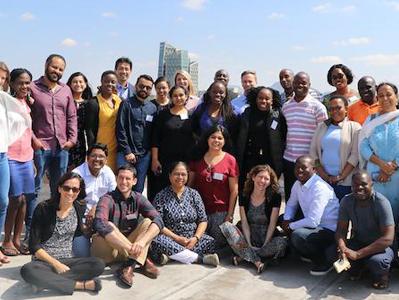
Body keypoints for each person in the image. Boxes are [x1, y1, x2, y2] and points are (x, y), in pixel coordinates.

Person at [20, 172, 105, 295]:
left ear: (79, 191)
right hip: (44, 262)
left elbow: (80, 231)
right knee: (27, 270)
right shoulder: (43, 208)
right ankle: (82, 285)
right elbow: (34, 246)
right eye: (67, 188)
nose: (70, 193)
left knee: (98, 264)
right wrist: (56, 264)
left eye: (75, 189)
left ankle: (44, 282)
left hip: (68, 260)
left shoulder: (79, 207)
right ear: (59, 188)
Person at [29, 54, 77, 250]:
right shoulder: (32, 88)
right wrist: (34, 140)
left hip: (61, 149)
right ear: (46, 66)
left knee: (61, 190)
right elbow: (26, 117)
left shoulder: (65, 90)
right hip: (40, 147)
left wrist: (72, 140)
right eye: (54, 67)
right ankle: (32, 231)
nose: (56, 71)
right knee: (35, 190)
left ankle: (53, 229)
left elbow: (71, 116)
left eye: (60, 69)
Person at [91, 165, 163, 288]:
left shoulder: (138, 198)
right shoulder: (107, 198)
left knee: (147, 222)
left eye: (128, 179)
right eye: (121, 178)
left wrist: (141, 243)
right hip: (108, 251)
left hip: (128, 246)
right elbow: (99, 223)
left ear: (134, 181)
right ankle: (138, 258)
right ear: (116, 179)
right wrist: (131, 248)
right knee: (108, 224)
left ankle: (129, 265)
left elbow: (158, 220)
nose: (123, 182)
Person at [220, 165, 287, 273]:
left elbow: (272, 224)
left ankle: (244, 255)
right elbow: (245, 222)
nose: (263, 181)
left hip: (266, 237)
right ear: (253, 177)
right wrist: (249, 243)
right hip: (248, 236)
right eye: (260, 177)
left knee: (282, 243)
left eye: (266, 179)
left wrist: (265, 244)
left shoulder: (275, 196)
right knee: (226, 226)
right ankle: (256, 261)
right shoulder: (244, 194)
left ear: (270, 182)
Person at [150, 162, 219, 266]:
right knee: (156, 240)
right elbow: (157, 223)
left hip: (191, 239)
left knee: (211, 242)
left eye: (183, 174)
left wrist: (195, 238)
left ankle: (171, 256)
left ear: (187, 176)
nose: (180, 177)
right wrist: (176, 238)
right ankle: (200, 259)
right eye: (176, 174)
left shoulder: (194, 194)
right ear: (170, 176)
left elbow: (203, 220)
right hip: (170, 238)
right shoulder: (161, 196)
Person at [335, 171, 395, 289]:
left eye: (363, 184)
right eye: (355, 185)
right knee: (333, 253)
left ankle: (383, 275)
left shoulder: (381, 203)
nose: (359, 188)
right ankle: (361, 267)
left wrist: (357, 254)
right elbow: (341, 230)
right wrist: (342, 248)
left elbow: (388, 239)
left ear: (371, 184)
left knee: (377, 262)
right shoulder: (346, 201)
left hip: (381, 247)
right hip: (359, 242)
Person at [282, 155, 339, 275]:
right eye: (297, 167)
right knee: (280, 220)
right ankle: (305, 252)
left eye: (304, 167)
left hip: (328, 230)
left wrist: (290, 226)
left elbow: (313, 221)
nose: (299, 170)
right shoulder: (298, 184)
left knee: (298, 235)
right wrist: (287, 220)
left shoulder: (320, 188)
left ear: (314, 170)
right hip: (313, 225)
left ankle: (324, 261)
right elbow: (291, 204)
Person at [2, 69, 35, 257]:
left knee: (24, 199)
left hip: (27, 156)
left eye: (27, 82)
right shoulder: (6, 102)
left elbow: (28, 131)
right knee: (14, 199)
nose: (24, 86)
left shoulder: (27, 102)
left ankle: (16, 238)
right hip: (11, 156)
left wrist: (33, 160)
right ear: (12, 83)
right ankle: (6, 239)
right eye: (21, 82)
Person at [189, 125, 239, 247]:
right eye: (213, 137)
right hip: (199, 211)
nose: (216, 140)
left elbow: (234, 191)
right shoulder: (197, 157)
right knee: (196, 240)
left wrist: (230, 215)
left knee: (219, 243)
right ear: (207, 139)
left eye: (220, 138)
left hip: (220, 212)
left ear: (224, 141)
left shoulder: (230, 160)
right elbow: (189, 186)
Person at [282, 72, 328, 200]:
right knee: (291, 197)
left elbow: (323, 137)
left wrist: (318, 163)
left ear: (309, 85)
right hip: (289, 160)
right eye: (297, 82)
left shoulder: (318, 107)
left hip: (309, 162)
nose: (300, 85)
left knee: (308, 198)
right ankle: (290, 220)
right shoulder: (286, 107)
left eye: (304, 83)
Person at [236, 86, 286, 197]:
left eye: (267, 99)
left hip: (271, 160)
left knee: (270, 191)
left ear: (272, 100)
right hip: (250, 160)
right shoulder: (248, 113)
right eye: (260, 98)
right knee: (248, 190)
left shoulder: (277, 115)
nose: (264, 101)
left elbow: (284, 136)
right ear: (255, 99)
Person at [359, 82, 399, 221]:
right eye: (381, 95)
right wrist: (382, 165)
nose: (385, 98)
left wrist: (391, 166)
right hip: (375, 175)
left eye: (389, 94)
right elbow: (363, 146)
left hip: (397, 175)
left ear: (397, 97)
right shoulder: (371, 120)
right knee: (377, 214)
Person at [310, 95, 361, 200]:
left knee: (343, 213)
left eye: (338, 107)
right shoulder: (321, 127)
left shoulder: (355, 127)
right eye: (331, 109)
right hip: (323, 181)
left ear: (346, 109)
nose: (335, 111)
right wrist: (324, 175)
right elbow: (313, 152)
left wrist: (340, 177)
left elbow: (355, 155)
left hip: (345, 182)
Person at [149, 86, 195, 200]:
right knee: (162, 189)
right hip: (165, 160)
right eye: (175, 95)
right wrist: (155, 159)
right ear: (171, 97)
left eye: (181, 95)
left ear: (186, 97)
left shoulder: (192, 116)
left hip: (184, 160)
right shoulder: (163, 115)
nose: (178, 98)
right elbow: (155, 138)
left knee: (181, 188)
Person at [72, 143, 116, 257]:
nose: (97, 159)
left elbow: (114, 195)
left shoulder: (108, 172)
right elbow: (72, 202)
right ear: (87, 158)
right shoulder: (77, 174)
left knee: (103, 255)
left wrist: (96, 208)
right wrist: (82, 225)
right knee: (82, 256)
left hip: (101, 216)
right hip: (81, 219)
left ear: (106, 159)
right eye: (93, 156)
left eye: (101, 156)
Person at [116, 74, 157, 193]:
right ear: (136, 87)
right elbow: (120, 128)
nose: (144, 89)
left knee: (138, 188)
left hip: (144, 156)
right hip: (125, 154)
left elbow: (152, 132)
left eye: (148, 88)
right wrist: (127, 151)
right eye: (141, 86)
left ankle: (135, 211)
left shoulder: (152, 108)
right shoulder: (126, 104)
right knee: (123, 186)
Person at [85, 70, 121, 173]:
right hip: (101, 149)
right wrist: (93, 151)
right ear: (101, 82)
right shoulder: (94, 103)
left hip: (116, 148)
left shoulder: (120, 101)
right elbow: (90, 130)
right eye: (107, 81)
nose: (110, 84)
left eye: (113, 82)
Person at [66, 72, 93, 170]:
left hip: (81, 142)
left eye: (81, 82)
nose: (78, 84)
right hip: (65, 141)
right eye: (75, 82)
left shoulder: (90, 103)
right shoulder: (64, 101)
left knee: (78, 172)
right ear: (70, 84)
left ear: (85, 84)